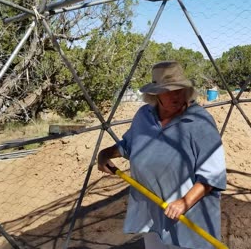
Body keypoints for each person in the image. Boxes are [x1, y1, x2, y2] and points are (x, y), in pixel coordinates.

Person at [97, 61, 227, 249]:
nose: (176, 94)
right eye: (168, 90)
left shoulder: (199, 121)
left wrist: (184, 202)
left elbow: (212, 175)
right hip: (153, 213)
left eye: (179, 89)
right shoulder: (144, 116)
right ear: (155, 94)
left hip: (189, 219)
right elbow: (129, 146)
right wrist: (105, 153)